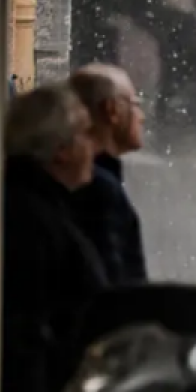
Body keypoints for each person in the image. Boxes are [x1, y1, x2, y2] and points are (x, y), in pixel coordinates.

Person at [1, 83, 110, 392]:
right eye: (85, 133)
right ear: (60, 149)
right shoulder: (31, 217)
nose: (94, 146)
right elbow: (24, 331)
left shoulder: (44, 206)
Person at [67, 63, 149, 283]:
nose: (141, 116)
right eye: (136, 105)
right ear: (111, 109)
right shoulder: (96, 187)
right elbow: (117, 288)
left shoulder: (76, 177)